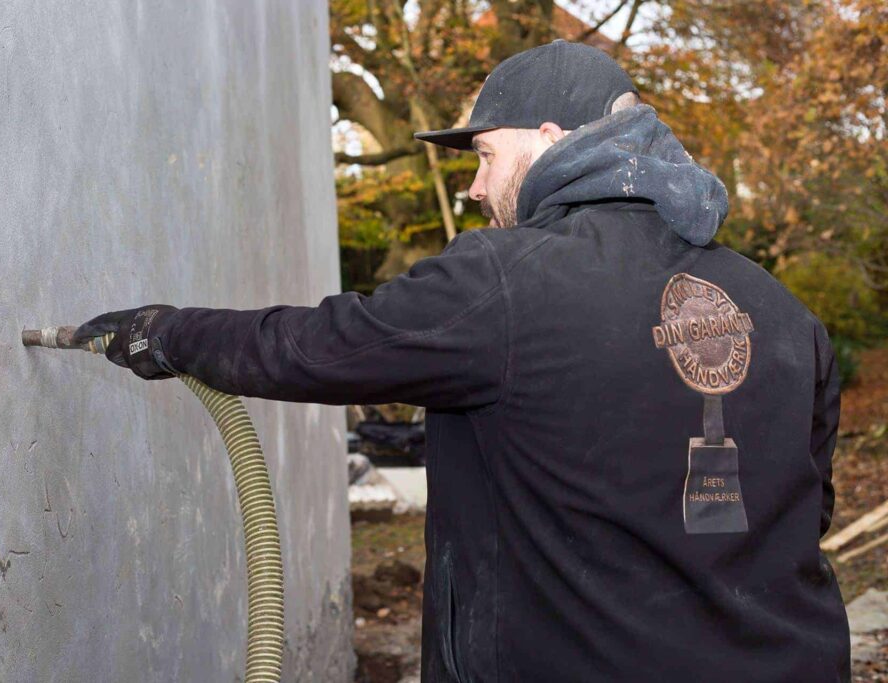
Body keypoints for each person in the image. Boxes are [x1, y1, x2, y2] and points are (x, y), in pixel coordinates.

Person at [75, 39, 850, 682]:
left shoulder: (506, 281)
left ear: (551, 139)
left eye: (484, 154)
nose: (476, 187)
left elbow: (315, 346)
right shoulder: (780, 309)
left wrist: (165, 332)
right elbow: (803, 508)